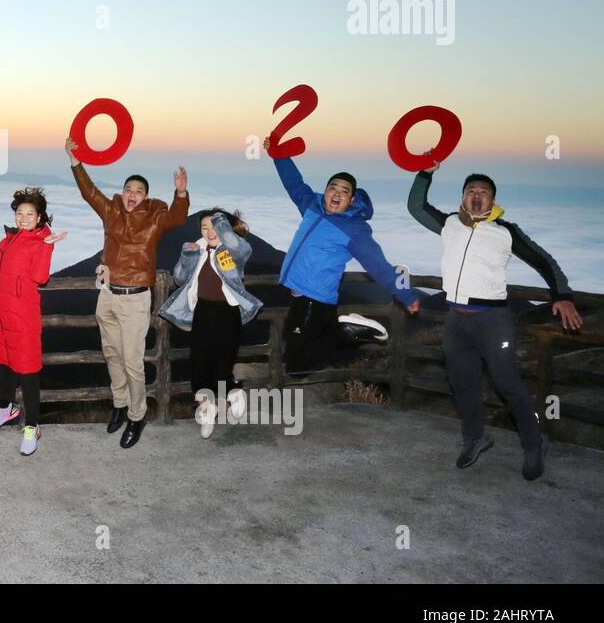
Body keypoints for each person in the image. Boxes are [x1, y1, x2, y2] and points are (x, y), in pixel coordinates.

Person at [408, 160, 581, 480]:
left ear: (492, 200)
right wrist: (425, 173)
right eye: (471, 191)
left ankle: (533, 442)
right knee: (463, 383)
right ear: (462, 197)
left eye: (483, 193)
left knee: (508, 384)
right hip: (456, 320)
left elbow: (545, 261)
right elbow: (416, 206)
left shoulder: (505, 231)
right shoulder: (448, 223)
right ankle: (475, 438)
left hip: (493, 320)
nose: (477, 196)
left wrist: (563, 295)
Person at [66, 138, 190, 449]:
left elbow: (178, 218)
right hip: (107, 294)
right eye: (128, 190)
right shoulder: (110, 211)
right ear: (122, 192)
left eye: (138, 191)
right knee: (112, 355)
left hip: (136, 298)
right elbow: (88, 192)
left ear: (146, 197)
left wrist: (181, 193)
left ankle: (138, 416)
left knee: (133, 362)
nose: (132, 195)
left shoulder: (156, 216)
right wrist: (74, 160)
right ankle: (119, 405)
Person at [264, 136, 421, 373]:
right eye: (332, 188)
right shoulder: (311, 205)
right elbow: (294, 183)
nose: (336, 194)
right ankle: (344, 332)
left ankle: (348, 333)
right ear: (325, 191)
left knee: (296, 364)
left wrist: (407, 296)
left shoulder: (353, 229)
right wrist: (278, 155)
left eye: (344, 191)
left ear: (352, 199)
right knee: (293, 346)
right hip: (300, 296)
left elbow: (378, 265)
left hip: (314, 300)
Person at [157, 209, 262, 437]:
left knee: (223, 362)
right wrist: (188, 257)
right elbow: (179, 278)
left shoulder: (234, 250)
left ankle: (234, 393)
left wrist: (222, 226)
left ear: (225, 228)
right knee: (199, 364)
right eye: (205, 227)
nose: (209, 231)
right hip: (202, 311)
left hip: (228, 312)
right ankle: (207, 410)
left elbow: (243, 249)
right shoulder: (199, 248)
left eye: (215, 226)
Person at [0, 189, 67, 456]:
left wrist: (47, 246)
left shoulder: (38, 243)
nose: (24, 217)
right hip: (0, 316)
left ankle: (32, 426)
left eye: (30, 214)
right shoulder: (5, 243)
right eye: (20, 213)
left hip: (23, 318)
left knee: (27, 374)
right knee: (4, 366)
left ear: (40, 217)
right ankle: (6, 409)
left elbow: (40, 277)